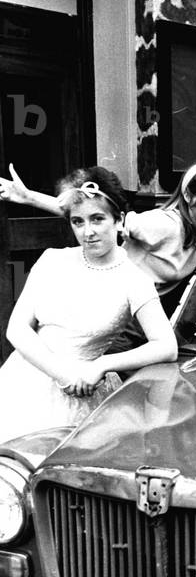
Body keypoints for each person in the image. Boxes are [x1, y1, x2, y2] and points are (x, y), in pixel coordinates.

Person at [0, 176, 177, 443]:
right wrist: (62, 374)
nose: (87, 232)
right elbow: (17, 329)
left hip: (83, 390)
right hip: (24, 381)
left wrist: (103, 364)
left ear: (119, 220)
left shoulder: (134, 280)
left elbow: (166, 346)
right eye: (78, 221)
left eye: (97, 219)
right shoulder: (52, 260)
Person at [0, 160, 196, 314]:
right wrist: (29, 197)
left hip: (145, 311)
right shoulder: (165, 224)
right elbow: (102, 217)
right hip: (114, 308)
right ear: (188, 196)